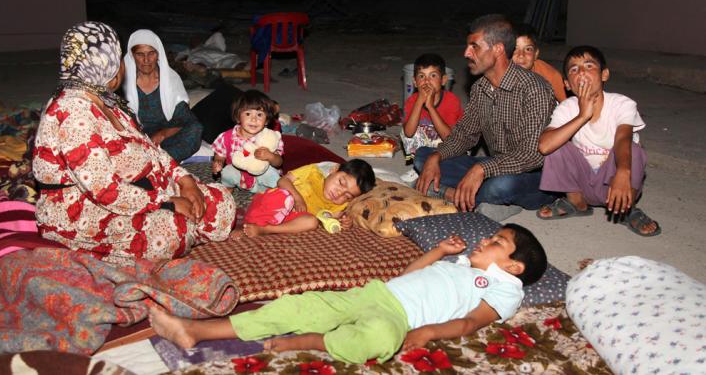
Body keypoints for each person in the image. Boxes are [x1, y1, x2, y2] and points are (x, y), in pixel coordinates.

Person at [150, 224, 547, 364]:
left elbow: (469, 323)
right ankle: (197, 331)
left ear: (514, 267)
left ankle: (315, 342)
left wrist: (425, 334)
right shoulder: (458, 264)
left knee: (379, 340)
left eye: (496, 242)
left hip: (398, 318)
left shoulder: (504, 288)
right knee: (296, 304)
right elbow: (405, 276)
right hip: (373, 293)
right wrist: (439, 252)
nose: (483, 240)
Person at [33, 22, 236, 266]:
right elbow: (104, 191)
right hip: (87, 209)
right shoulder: (71, 112)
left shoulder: (107, 101)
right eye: (119, 57)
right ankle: (178, 230)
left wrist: (185, 180)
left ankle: (185, 226)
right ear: (100, 62)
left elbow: (151, 148)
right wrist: (167, 203)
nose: (123, 65)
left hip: (143, 188)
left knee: (222, 205)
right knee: (169, 231)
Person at [414, 14, 555, 220]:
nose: (466, 53)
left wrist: (481, 169)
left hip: (534, 174)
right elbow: (464, 135)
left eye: (474, 47)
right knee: (423, 157)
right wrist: (437, 156)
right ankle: (478, 199)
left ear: (497, 49)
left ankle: (450, 194)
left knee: (500, 186)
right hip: (495, 165)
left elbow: (531, 155)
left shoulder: (534, 88)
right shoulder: (480, 87)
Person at [537, 46, 661, 236]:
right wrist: (582, 116)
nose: (582, 72)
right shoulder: (566, 108)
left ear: (604, 75)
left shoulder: (622, 104)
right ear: (567, 84)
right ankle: (576, 203)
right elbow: (545, 146)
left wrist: (622, 171)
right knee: (556, 144)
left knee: (634, 150)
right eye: (574, 69)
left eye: (589, 65)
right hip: (582, 183)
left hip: (616, 183)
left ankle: (626, 210)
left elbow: (622, 138)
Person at [234, 159, 375, 237]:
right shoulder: (312, 172)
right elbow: (282, 181)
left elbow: (332, 218)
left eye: (347, 196)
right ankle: (249, 223)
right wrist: (297, 198)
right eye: (341, 183)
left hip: (290, 219)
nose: (339, 193)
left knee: (312, 222)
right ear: (334, 170)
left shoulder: (338, 206)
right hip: (273, 204)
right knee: (284, 196)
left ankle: (266, 230)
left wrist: (345, 222)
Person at [123, 29, 203, 163]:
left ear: (158, 54)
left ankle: (154, 162)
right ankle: (155, 161)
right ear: (132, 55)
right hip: (135, 135)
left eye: (151, 53)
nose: (146, 60)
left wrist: (163, 134)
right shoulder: (122, 81)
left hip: (166, 134)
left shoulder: (170, 79)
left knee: (196, 129)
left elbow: (183, 119)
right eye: (140, 54)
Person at [400, 53, 464, 182]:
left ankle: (439, 168)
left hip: (448, 145)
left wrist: (430, 107)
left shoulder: (452, 101)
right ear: (415, 82)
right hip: (425, 146)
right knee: (404, 130)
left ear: (443, 80)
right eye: (421, 76)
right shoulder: (412, 101)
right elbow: (409, 133)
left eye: (433, 75)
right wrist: (419, 102)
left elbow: (450, 138)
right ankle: (419, 169)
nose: (427, 81)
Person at [210, 90, 284, 193]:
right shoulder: (226, 137)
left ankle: (273, 192)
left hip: (261, 177)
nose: (254, 119)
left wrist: (270, 156)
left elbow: (279, 162)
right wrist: (218, 162)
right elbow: (220, 155)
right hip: (239, 176)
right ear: (238, 117)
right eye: (248, 114)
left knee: (272, 176)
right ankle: (228, 189)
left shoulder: (269, 137)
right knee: (227, 172)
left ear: (266, 120)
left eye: (259, 115)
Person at [513, 24, 567, 102]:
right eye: (515, 49)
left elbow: (568, 104)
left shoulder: (550, 75)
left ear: (536, 54)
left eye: (528, 49)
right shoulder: (498, 73)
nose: (521, 55)